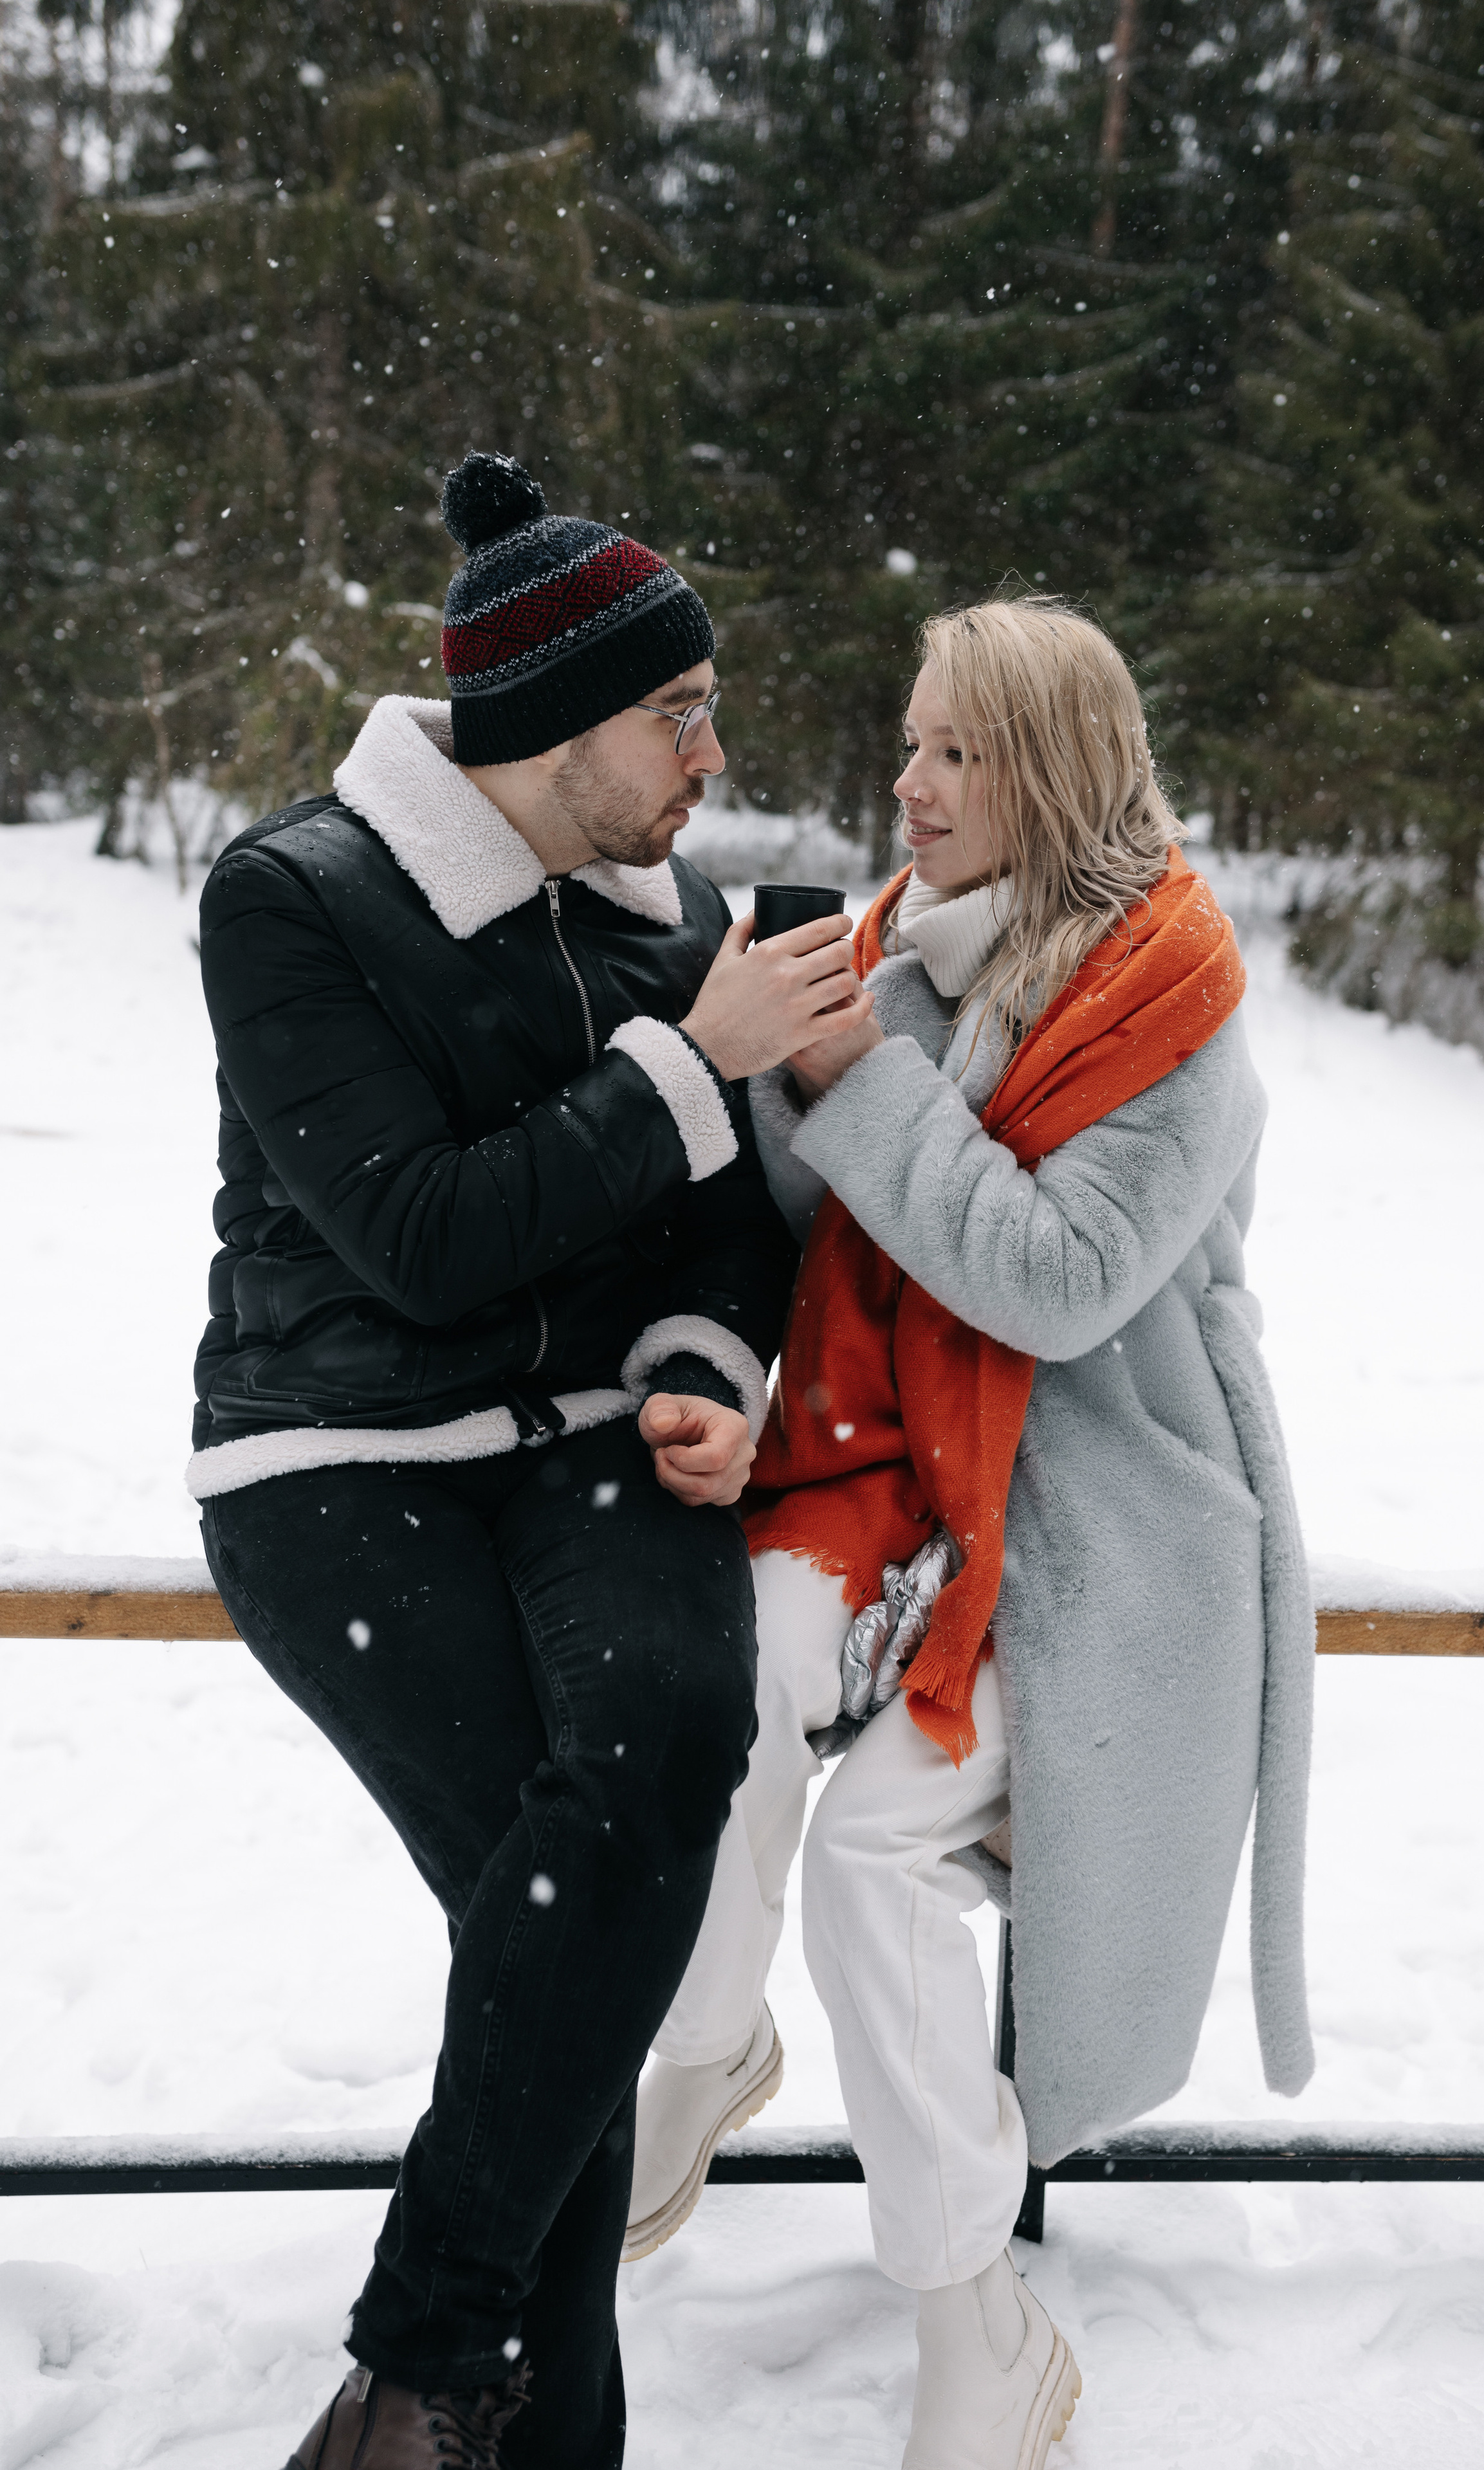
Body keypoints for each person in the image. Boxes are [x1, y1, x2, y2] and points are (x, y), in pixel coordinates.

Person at [190, 452, 872, 2470]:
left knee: (658, 1762)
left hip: (590, 1446)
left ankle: (422, 2378)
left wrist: (700, 1363)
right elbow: (413, 1232)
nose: (709, 754)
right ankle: (480, 2404)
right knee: (561, 1936)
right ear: (555, 724)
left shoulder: (670, 911)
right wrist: (692, 1064)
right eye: (680, 714)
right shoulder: (291, 897)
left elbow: (718, 1227)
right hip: (332, 1461)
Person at [625, 597, 1317, 2470]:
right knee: (724, 1680)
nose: (908, 782)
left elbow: (1058, 1282)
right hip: (887, 1484)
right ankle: (700, 2049)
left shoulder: (1180, 1020)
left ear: (1054, 770)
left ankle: (974, 2328)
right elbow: (801, 1220)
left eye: (956, 751)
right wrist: (758, 1054)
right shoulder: (892, 958)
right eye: (911, 743)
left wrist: (852, 1081)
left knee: (872, 1863)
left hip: (1103, 1543)